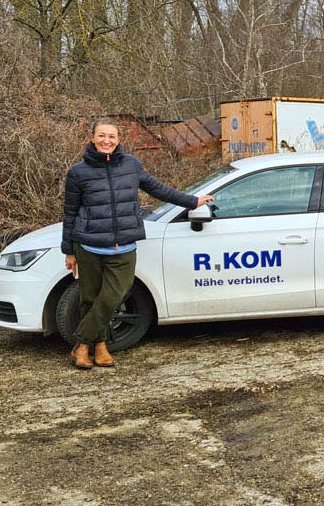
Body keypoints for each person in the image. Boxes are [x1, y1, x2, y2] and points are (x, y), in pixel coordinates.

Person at [61, 118, 213, 369]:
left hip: (124, 246)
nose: (106, 140)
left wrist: (192, 201)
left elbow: (158, 189)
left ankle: (81, 343)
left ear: (118, 140)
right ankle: (98, 346)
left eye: (111, 136)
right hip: (88, 245)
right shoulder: (78, 172)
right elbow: (70, 212)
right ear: (92, 138)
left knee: (113, 297)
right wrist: (69, 250)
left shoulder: (131, 165)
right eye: (101, 135)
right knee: (89, 298)